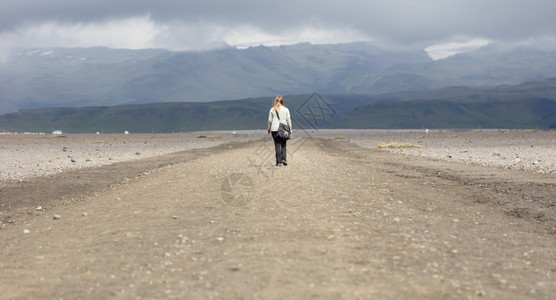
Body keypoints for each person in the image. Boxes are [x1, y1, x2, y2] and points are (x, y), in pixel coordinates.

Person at [267, 96, 292, 166]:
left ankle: (279, 162)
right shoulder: (286, 109)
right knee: (283, 144)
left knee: (277, 144)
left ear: (276, 101)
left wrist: (268, 129)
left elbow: (269, 121)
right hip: (284, 128)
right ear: (282, 101)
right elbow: (288, 120)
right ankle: (284, 159)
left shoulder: (272, 110)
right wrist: (290, 129)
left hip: (274, 129)